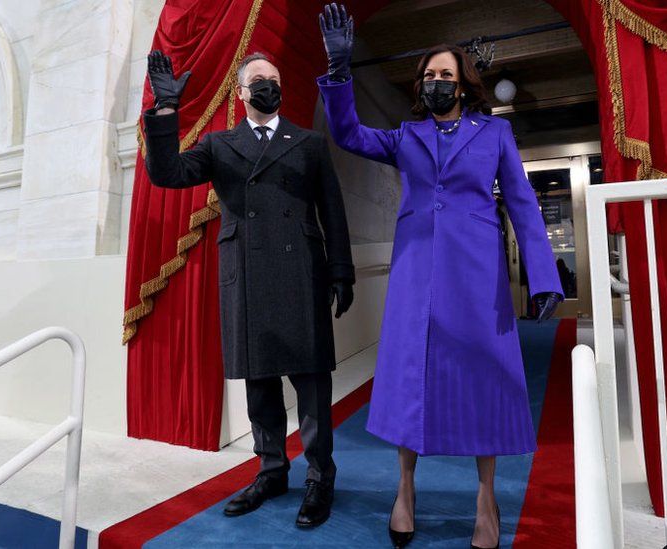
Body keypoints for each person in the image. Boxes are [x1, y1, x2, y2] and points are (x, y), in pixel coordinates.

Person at [316, 4, 564, 548]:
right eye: (429, 76)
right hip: (415, 276)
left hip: (477, 276)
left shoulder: (494, 135)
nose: (435, 82)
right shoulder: (405, 135)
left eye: (445, 75)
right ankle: (404, 489)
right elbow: (350, 134)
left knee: (486, 377)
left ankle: (486, 498)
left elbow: (522, 204)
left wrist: (545, 276)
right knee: (411, 376)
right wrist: (338, 74)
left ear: (463, 84)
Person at [143, 49, 355, 528]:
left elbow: (333, 211)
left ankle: (320, 476)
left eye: (274, 78)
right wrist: (166, 113)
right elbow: (167, 174)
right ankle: (272, 469)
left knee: (313, 386)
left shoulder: (308, 143)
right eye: (257, 79)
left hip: (301, 271)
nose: (267, 84)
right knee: (260, 386)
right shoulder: (220, 144)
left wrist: (342, 270)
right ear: (240, 94)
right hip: (248, 274)